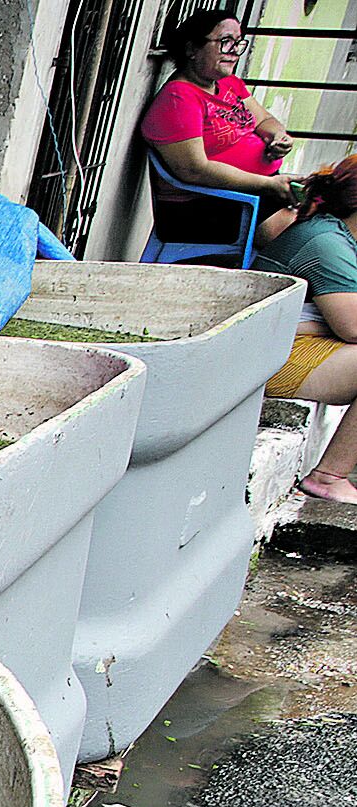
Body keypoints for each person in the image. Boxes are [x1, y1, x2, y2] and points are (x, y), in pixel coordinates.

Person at [140, 9, 299, 248]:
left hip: (253, 191)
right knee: (299, 234)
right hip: (204, 205)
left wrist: (277, 136)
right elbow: (194, 170)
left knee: (324, 208)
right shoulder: (179, 98)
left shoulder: (229, 84)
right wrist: (267, 185)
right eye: (225, 42)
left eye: (238, 43)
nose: (234, 51)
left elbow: (264, 120)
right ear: (192, 49)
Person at [255, 155, 357, 503]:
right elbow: (354, 327)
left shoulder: (342, 236)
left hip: (294, 344)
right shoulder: (327, 242)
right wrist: (323, 323)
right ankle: (329, 477)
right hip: (267, 358)